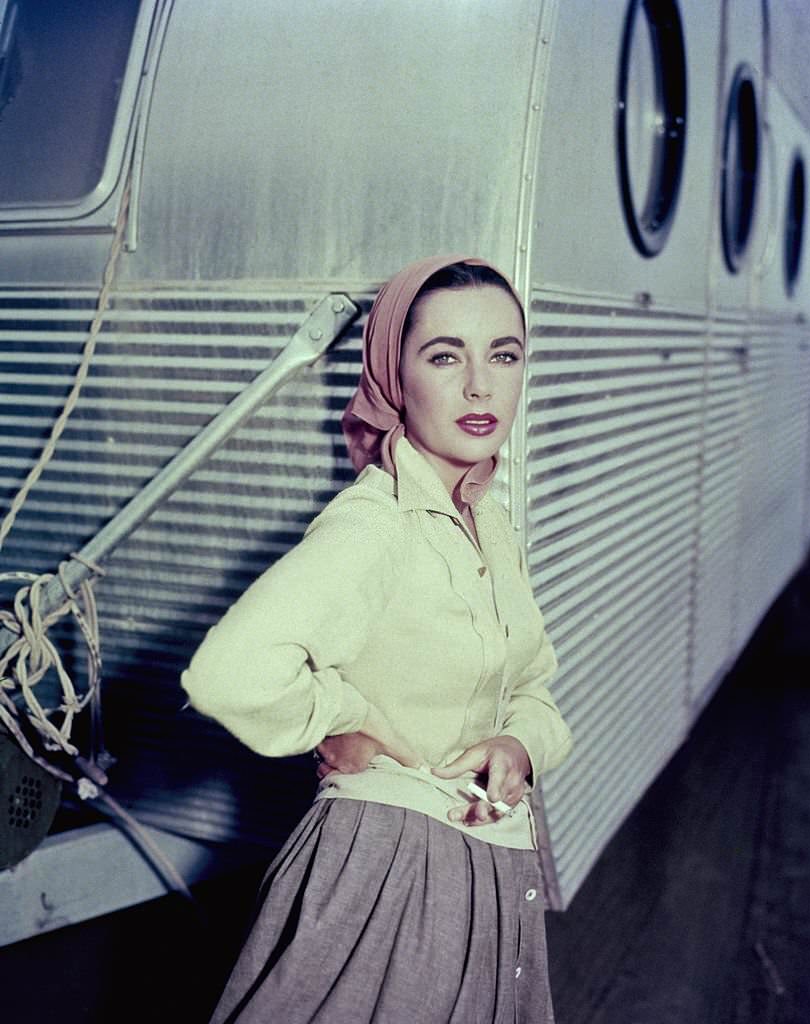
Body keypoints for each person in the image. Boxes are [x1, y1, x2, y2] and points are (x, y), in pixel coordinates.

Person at [181, 254, 573, 1023]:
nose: (479, 385)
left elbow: (531, 685)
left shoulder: (487, 520)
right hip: (387, 870)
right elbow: (225, 674)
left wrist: (519, 746)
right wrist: (342, 716)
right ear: (395, 376)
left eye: (503, 355)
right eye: (443, 356)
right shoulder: (375, 522)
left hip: (483, 862)